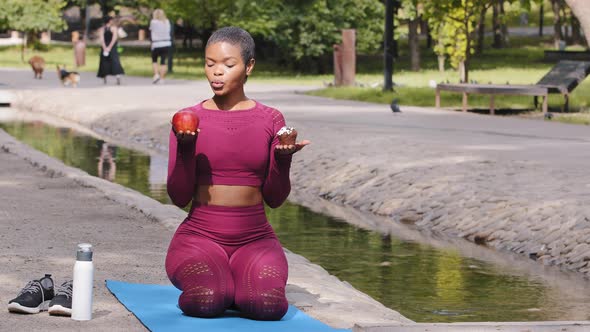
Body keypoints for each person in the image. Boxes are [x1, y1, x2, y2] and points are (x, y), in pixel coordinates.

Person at [165, 26, 310, 321]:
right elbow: (178, 197)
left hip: (255, 239)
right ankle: (224, 286)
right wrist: (186, 147)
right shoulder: (188, 119)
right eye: (210, 64)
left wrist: (283, 162)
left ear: (249, 66)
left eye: (228, 65)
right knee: (206, 301)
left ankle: (235, 286)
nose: (217, 73)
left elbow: (275, 199)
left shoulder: (270, 119)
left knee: (269, 306)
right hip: (199, 238)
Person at [97, 16, 125, 85]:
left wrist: (105, 47)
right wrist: (109, 47)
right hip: (112, 47)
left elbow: (102, 39)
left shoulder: (102, 29)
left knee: (104, 62)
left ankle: (104, 78)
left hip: (105, 47)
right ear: (109, 21)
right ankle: (117, 77)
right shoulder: (114, 28)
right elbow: (114, 38)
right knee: (115, 62)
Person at [149, 9, 172, 84]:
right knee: (163, 61)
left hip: (156, 44)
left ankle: (156, 74)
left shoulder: (153, 22)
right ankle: (162, 78)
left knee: (154, 60)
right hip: (166, 43)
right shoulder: (167, 21)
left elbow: (151, 31)